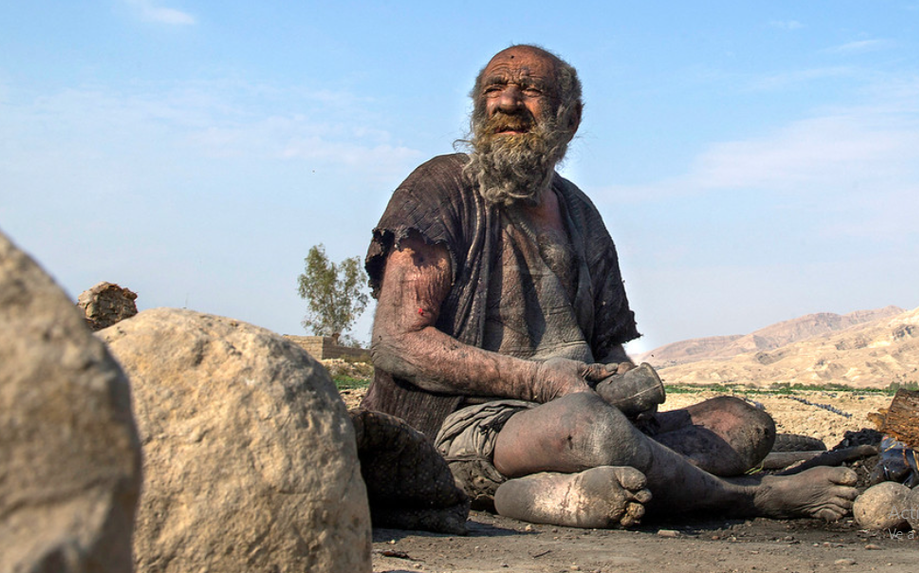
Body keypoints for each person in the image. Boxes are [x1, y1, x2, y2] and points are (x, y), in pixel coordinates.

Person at [360, 44, 857, 528]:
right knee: (590, 428)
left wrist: (623, 379)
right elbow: (397, 343)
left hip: (580, 411)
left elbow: (606, 346)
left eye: (529, 89)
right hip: (470, 424)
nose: (508, 102)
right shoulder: (439, 188)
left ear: (569, 118)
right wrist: (538, 381)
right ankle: (749, 498)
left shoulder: (580, 212)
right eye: (495, 88)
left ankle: (547, 494)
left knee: (742, 424)